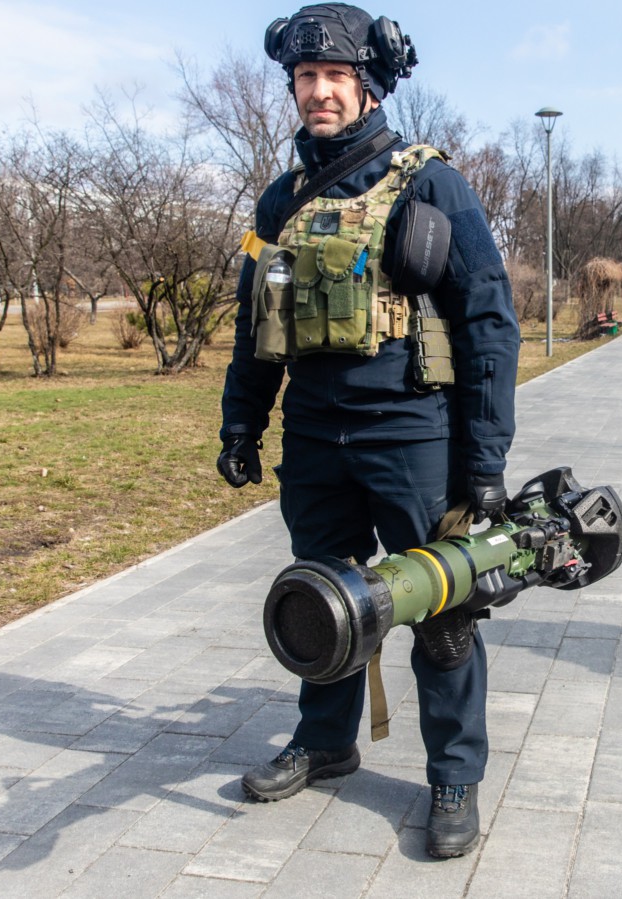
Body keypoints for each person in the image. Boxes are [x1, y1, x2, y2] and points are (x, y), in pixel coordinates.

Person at [216, 3, 518, 859]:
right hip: (315, 435)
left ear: (370, 86)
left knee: (443, 607)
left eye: (335, 77)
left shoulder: (430, 183)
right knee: (323, 596)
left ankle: (453, 774)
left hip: (411, 432)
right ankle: (325, 740)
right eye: (306, 77)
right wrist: (242, 422)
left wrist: (485, 456)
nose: (318, 91)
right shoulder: (280, 200)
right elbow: (256, 323)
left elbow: (489, 320)